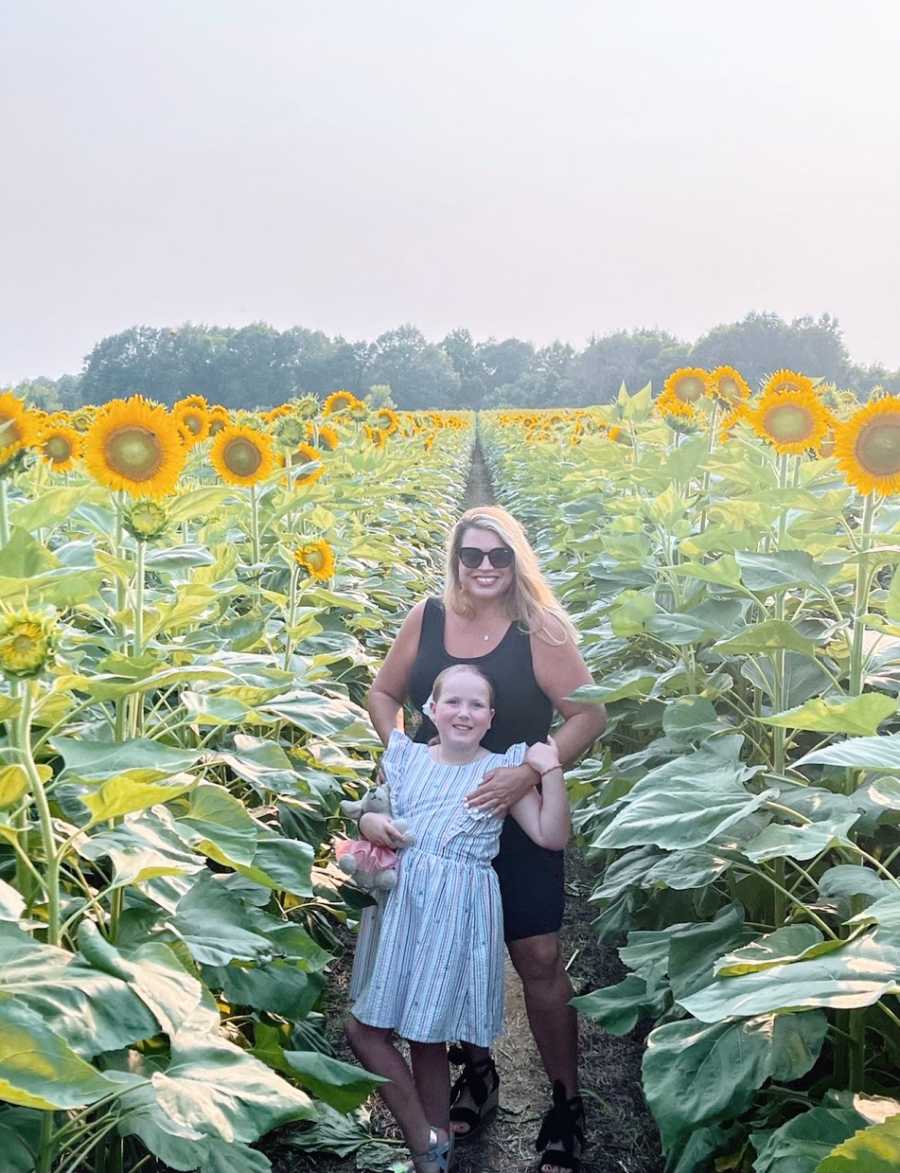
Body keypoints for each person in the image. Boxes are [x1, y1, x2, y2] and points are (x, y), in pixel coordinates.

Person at [366, 505, 607, 1173]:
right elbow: (384, 692)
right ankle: (478, 1071)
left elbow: (588, 715)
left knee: (536, 954)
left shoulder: (540, 628)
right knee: (441, 940)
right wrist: (402, 755)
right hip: (441, 810)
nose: (485, 567)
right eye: (471, 555)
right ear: (456, 560)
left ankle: (565, 1102)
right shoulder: (429, 617)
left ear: (516, 558)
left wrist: (527, 769)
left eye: (498, 555)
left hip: (514, 803)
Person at [344, 663, 569, 1173]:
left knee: (426, 1036)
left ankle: (432, 1147)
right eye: (453, 702)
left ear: (491, 718)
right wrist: (370, 821)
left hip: (455, 911)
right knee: (366, 1032)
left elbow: (550, 835)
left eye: (476, 706)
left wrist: (549, 768)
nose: (463, 713)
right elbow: (369, 809)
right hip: (401, 906)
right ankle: (425, 1138)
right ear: (431, 709)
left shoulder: (501, 771)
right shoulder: (404, 757)